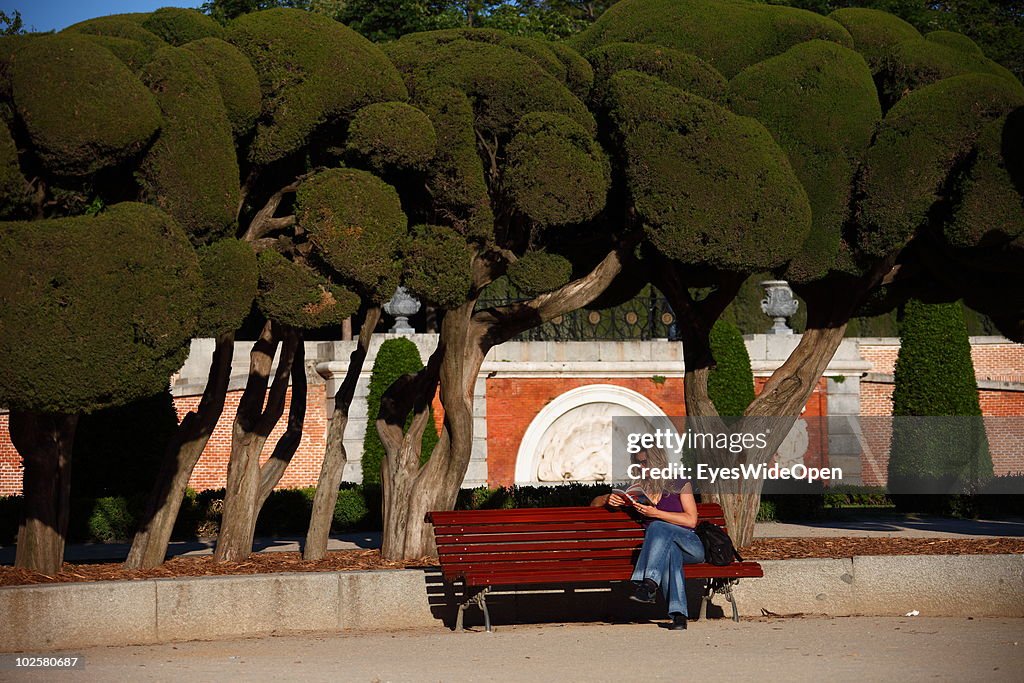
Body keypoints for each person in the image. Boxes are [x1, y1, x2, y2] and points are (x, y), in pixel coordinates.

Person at [592, 445, 703, 630]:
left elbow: (691, 520)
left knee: (658, 525)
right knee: (670, 554)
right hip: (664, 551)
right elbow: (593, 504)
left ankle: (649, 583)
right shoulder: (637, 490)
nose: (642, 468)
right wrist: (606, 499)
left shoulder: (679, 483)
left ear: (658, 461)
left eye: (645, 463)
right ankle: (679, 616)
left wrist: (656, 514)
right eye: (638, 463)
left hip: (691, 546)